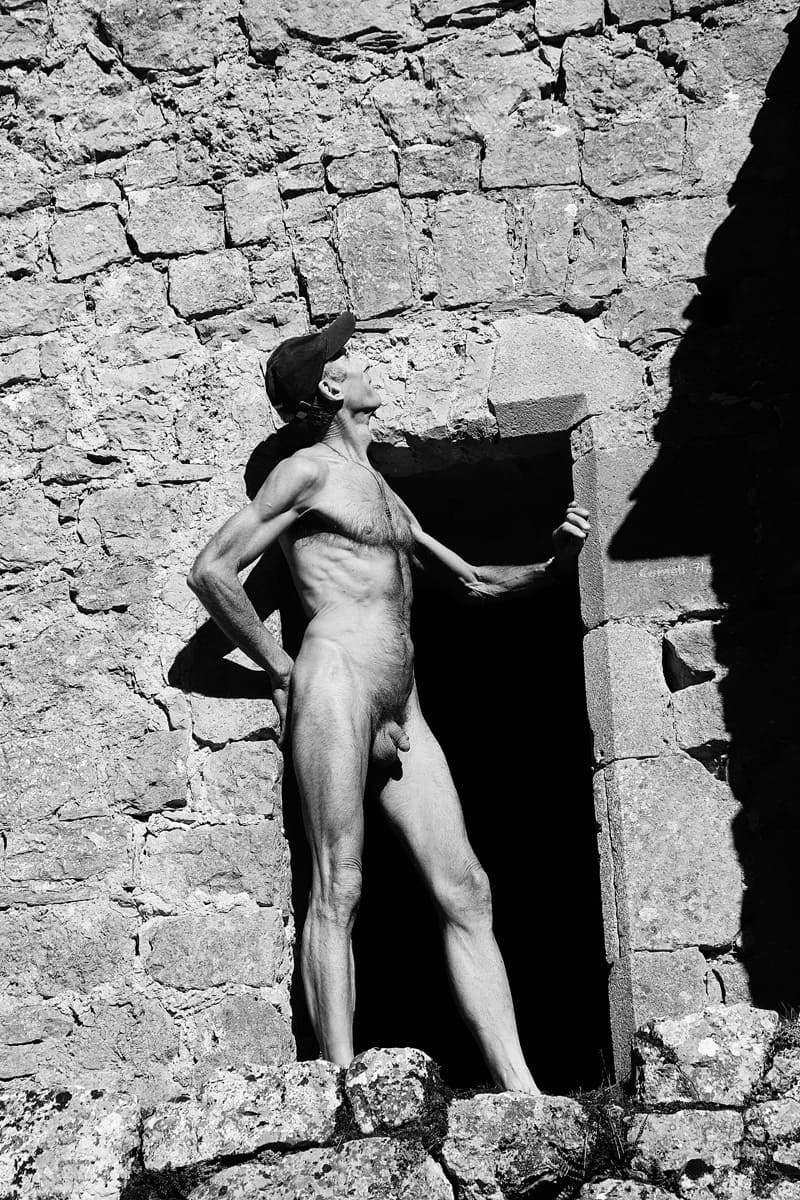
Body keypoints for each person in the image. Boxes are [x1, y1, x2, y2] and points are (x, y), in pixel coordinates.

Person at [187, 312, 591, 1094]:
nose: (366, 361)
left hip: (406, 707)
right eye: (349, 355)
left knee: (467, 886)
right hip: (336, 680)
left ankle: (523, 1090)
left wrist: (553, 564)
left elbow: (473, 582)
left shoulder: (384, 492)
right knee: (340, 882)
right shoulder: (306, 472)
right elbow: (212, 571)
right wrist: (281, 669)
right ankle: (337, 1091)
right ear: (331, 386)